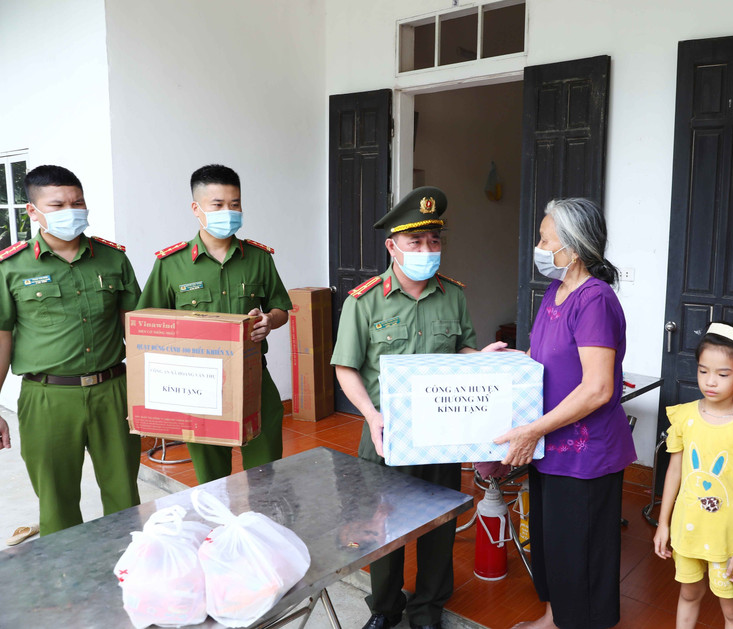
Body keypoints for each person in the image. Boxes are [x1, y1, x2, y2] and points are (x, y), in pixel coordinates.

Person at [331, 186, 506, 629]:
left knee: (438, 525)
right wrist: (371, 415)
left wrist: (479, 361)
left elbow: (461, 351)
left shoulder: (454, 295)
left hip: (440, 435)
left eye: (434, 241)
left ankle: (427, 608)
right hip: (385, 434)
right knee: (382, 526)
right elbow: (345, 368)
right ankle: (385, 609)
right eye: (416, 242)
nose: (427, 250)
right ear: (392, 246)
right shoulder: (363, 301)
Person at [494, 197, 635, 629]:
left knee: (581, 555)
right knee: (553, 546)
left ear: (572, 248)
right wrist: (497, 364)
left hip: (585, 456)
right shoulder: (555, 293)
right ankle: (554, 620)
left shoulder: (594, 300)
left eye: (544, 239)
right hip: (550, 447)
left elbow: (597, 388)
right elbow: (542, 359)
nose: (538, 246)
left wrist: (531, 430)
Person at [0, 165, 142, 535]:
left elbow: (139, 331)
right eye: (58, 204)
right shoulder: (11, 268)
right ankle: (68, 584)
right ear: (33, 211)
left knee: (124, 494)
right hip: (47, 397)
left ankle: (131, 571)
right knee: (57, 501)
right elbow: (2, 337)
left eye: (77, 202)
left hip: (114, 391)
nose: (71, 210)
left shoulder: (113, 259)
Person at [137, 164, 291, 484]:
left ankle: (261, 531)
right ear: (197, 209)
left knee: (265, 472)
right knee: (212, 479)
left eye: (235, 204)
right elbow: (147, 325)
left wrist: (269, 320)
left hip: (254, 378)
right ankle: (216, 531)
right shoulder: (171, 264)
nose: (228, 211)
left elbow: (280, 308)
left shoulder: (259, 258)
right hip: (199, 386)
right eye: (218, 205)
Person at [654, 323, 733, 629]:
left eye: (722, 374)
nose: (710, 381)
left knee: (731, 609)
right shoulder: (685, 417)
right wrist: (663, 524)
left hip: (727, 539)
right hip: (687, 531)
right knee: (689, 594)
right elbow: (674, 470)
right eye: (704, 371)